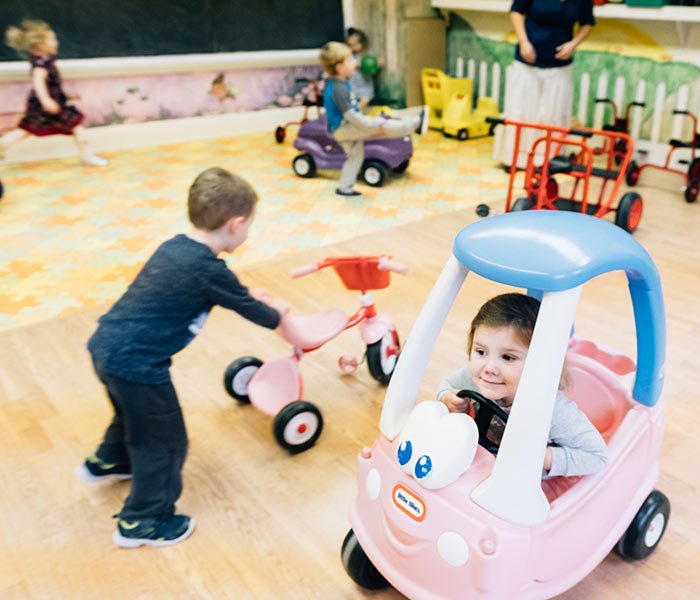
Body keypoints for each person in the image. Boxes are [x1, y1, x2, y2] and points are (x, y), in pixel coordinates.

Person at [78, 167, 289, 548]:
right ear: (235, 224)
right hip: (139, 366)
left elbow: (224, 292)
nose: (248, 233)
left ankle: (109, 461)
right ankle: (142, 520)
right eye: (249, 225)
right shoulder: (209, 269)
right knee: (165, 440)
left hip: (105, 348)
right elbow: (249, 308)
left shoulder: (175, 247)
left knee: (131, 415)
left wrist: (243, 294)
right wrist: (281, 314)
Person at [438, 293, 608, 478]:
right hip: (473, 466)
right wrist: (446, 397)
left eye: (507, 357)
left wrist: (543, 457)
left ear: (539, 363)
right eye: (481, 352)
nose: (489, 368)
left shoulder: (553, 411)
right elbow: (447, 385)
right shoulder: (474, 378)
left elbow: (598, 458)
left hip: (519, 483)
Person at [493, 0, 595, 169]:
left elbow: (588, 23)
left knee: (552, 114)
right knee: (522, 111)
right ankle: (514, 159)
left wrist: (573, 45)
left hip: (559, 65)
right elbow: (516, 11)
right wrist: (524, 42)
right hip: (528, 61)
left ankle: (548, 160)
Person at [320, 41, 429, 197]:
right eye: (350, 60)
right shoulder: (339, 89)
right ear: (339, 68)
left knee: (355, 156)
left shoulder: (341, 83)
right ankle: (417, 123)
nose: (355, 63)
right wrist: (370, 126)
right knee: (382, 124)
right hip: (344, 128)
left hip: (343, 128)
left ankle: (344, 188)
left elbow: (352, 110)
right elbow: (351, 116)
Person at [2, 20, 107, 166]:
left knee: (29, 128)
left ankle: (3, 145)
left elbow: (52, 84)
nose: (56, 42)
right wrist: (46, 100)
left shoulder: (44, 59)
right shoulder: (41, 64)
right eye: (52, 39)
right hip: (45, 103)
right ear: (40, 45)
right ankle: (87, 156)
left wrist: (66, 96)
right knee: (75, 124)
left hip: (51, 101)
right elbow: (38, 81)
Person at [346, 27, 380, 112]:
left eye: (355, 45)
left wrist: (377, 63)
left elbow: (375, 63)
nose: (353, 48)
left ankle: (358, 112)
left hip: (365, 83)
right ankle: (355, 112)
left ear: (362, 43)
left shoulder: (367, 54)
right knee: (353, 100)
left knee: (366, 99)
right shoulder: (350, 55)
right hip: (354, 84)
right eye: (350, 45)